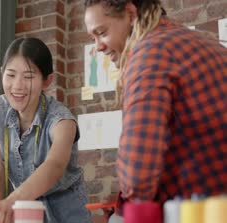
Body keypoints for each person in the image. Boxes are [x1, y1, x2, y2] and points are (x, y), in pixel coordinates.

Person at [84, 0, 227, 206]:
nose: (98, 46)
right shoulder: (202, 42)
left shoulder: (149, 54)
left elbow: (137, 179)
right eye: (93, 37)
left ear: (131, 15)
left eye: (102, 32)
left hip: (205, 219)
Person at [0, 37, 92, 223]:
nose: (17, 86)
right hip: (25, 215)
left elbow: (54, 166)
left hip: (67, 219)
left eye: (28, 77)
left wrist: (11, 201)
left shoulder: (62, 120)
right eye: (10, 75)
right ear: (2, 73)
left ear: (47, 80)